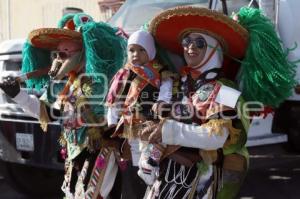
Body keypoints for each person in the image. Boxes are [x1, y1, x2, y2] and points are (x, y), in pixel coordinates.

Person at [140, 6, 296, 199]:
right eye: (187, 41)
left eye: (199, 42)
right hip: (166, 177)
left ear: (215, 48)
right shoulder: (180, 85)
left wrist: (168, 131)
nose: (190, 47)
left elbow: (219, 135)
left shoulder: (226, 91)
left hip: (204, 181)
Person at [0, 13, 127, 199]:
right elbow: (48, 113)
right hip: (74, 153)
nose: (60, 57)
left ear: (84, 50)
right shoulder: (64, 84)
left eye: (66, 52)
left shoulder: (105, 79)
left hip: (101, 151)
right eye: (58, 53)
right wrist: (17, 95)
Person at [106, 29, 175, 197]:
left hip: (152, 126)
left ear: (151, 51)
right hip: (129, 126)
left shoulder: (161, 72)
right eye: (132, 50)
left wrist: (162, 104)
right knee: (132, 161)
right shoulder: (124, 73)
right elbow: (115, 101)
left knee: (150, 165)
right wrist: (111, 124)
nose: (135, 54)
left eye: (141, 50)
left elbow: (166, 92)